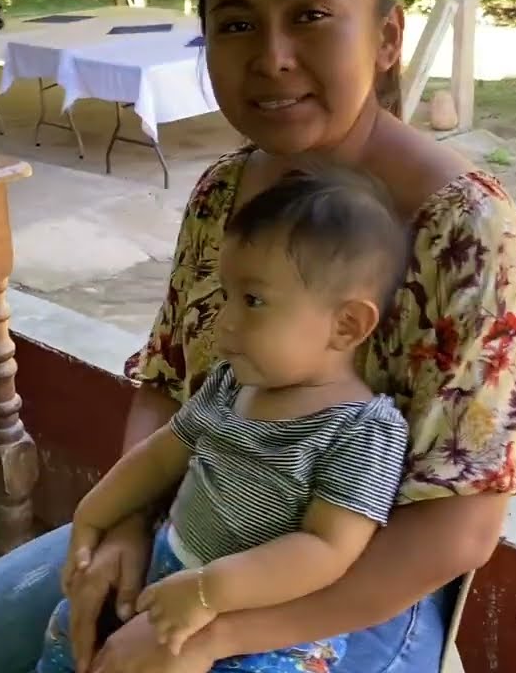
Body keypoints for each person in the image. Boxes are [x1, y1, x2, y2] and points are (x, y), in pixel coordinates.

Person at [0, 0, 516, 671]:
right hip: (198, 528)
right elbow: (169, 382)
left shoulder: (466, 231)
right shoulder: (224, 191)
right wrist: (127, 524)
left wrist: (217, 632)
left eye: (310, 16)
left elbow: (457, 531)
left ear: (387, 37)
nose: (272, 58)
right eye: (236, 24)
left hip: (358, 584)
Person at [37, 169, 412, 673]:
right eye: (227, 296)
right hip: (169, 571)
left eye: (253, 301)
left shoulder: (362, 430)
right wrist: (94, 515)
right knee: (74, 628)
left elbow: (327, 548)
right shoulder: (232, 383)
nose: (225, 320)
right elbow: (163, 452)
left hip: (267, 629)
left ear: (346, 325)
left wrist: (209, 592)